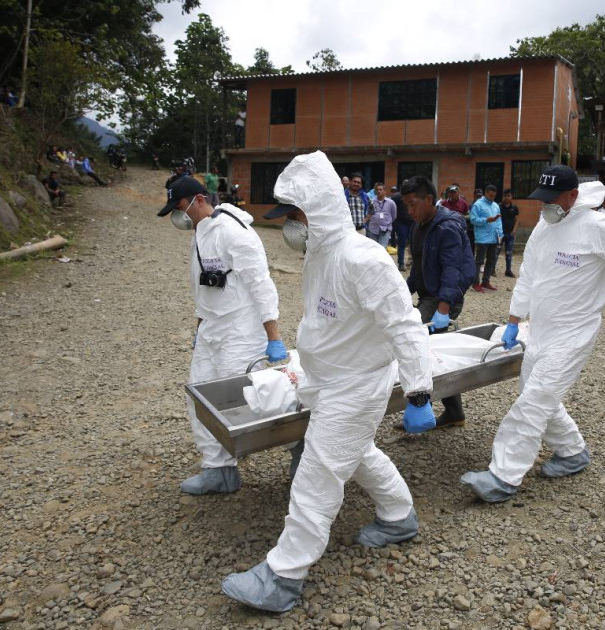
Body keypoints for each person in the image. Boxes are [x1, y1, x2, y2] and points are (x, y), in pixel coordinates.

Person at [222, 151, 434, 612]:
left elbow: (405, 326)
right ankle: (398, 517)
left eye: (295, 216)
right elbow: (327, 319)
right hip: (327, 379)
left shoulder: (365, 259)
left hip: (357, 386)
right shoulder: (320, 253)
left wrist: (418, 391)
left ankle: (283, 576)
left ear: (316, 211)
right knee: (356, 453)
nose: (289, 227)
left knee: (317, 476)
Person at [461, 165, 605, 503]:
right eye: (542, 200)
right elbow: (529, 276)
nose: (546, 206)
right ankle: (572, 453)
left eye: (552, 200)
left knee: (533, 401)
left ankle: (503, 477)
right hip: (539, 330)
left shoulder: (602, 229)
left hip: (574, 334)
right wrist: (513, 320)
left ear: (573, 195)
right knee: (537, 393)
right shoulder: (544, 225)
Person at [156, 176, 288, 495]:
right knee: (200, 397)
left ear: (199, 200)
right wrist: (200, 328)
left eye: (181, 207)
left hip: (241, 330)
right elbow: (203, 285)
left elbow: (261, 283)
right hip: (213, 328)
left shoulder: (234, 232)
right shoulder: (200, 233)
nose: (180, 215)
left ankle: (300, 445)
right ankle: (219, 470)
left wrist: (273, 335)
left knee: (244, 401)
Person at [399, 175, 476, 429]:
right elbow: (418, 268)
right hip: (430, 294)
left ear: (430, 200)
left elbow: (453, 269)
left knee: (415, 342)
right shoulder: (419, 225)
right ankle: (453, 413)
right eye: (406, 206)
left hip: (445, 296)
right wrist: (400, 292)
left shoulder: (447, 227)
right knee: (433, 352)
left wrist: (444, 307)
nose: (409, 211)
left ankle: (423, 408)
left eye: (413, 204)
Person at [470, 184, 503, 292]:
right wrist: (486, 220)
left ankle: (486, 281)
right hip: (482, 238)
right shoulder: (478, 205)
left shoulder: (496, 206)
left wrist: (500, 234)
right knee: (479, 261)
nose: (492, 198)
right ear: (485, 193)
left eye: (494, 196)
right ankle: (475, 283)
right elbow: (473, 220)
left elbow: (498, 221)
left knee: (491, 260)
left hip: (493, 238)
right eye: (490, 195)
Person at [497, 189, 520, 277]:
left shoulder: (514, 208)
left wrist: (514, 230)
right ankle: (492, 270)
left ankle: (508, 270)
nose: (506, 198)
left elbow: (517, 220)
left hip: (510, 234)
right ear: (503, 197)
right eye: (505, 196)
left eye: (508, 196)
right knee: (496, 252)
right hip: (500, 233)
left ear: (511, 197)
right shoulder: (498, 207)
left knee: (509, 253)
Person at [391, 184, 412, 271]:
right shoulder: (397, 196)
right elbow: (390, 205)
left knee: (413, 243)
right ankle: (401, 263)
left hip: (412, 222)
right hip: (400, 223)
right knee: (402, 243)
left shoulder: (413, 195)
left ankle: (411, 262)